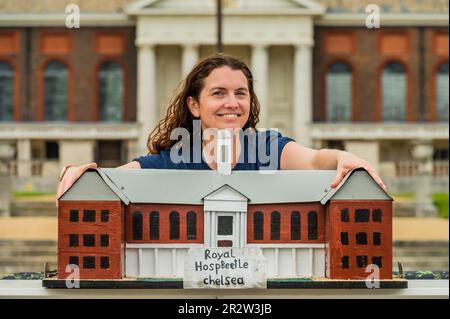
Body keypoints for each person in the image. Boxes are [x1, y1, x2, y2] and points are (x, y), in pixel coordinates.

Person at [56, 53, 386, 205]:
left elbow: (316, 161)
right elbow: (116, 179)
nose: (232, 103)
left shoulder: (267, 149)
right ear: (194, 105)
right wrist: (79, 175)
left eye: (240, 93)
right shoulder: (174, 158)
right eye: (218, 93)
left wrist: (345, 157)